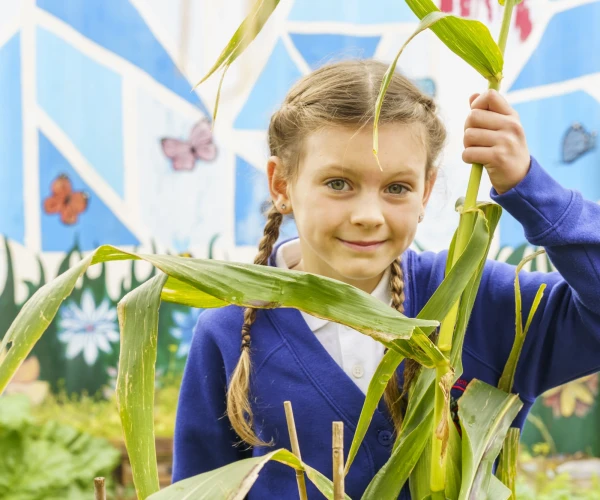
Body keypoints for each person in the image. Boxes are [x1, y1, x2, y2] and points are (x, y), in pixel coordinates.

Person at [171, 59, 600, 499]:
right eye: (338, 183)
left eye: (397, 187)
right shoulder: (229, 331)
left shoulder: (475, 300)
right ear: (281, 185)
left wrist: (529, 188)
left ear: (426, 191)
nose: (368, 217)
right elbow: (197, 489)